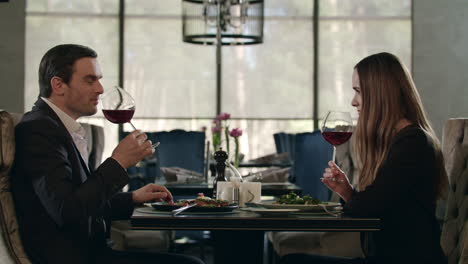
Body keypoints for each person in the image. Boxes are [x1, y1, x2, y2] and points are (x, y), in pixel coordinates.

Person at [11, 44, 204, 264]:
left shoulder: (58, 127)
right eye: (90, 80)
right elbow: (68, 212)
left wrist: (132, 198)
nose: (100, 89)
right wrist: (118, 162)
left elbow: (83, 201)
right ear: (58, 85)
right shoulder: (38, 129)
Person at [281, 52, 448, 264]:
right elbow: (374, 204)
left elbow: (367, 208)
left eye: (358, 91)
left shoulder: (412, 143)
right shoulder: (402, 140)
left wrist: (349, 193)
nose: (353, 102)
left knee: (292, 262)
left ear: (379, 93)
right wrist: (346, 190)